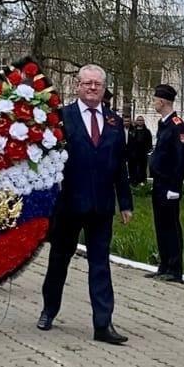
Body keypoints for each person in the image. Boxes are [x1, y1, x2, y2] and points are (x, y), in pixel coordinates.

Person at [38, 64, 133, 344]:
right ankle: (49, 309)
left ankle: (103, 324)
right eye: (88, 83)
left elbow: (120, 167)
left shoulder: (115, 123)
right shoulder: (61, 118)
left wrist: (125, 203)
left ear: (104, 89)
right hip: (68, 204)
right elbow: (47, 161)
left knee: (100, 264)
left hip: (101, 206)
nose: (93, 88)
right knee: (59, 261)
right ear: (77, 86)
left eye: (98, 85)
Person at [146, 85, 184, 282]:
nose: (154, 102)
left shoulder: (177, 126)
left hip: (169, 185)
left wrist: (175, 187)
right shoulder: (164, 124)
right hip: (159, 183)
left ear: (162, 101)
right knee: (161, 225)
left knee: (171, 226)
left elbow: (180, 160)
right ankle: (164, 265)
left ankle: (174, 268)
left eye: (155, 99)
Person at [126, 115, 153, 186]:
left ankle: (142, 181)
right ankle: (133, 181)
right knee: (132, 168)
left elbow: (149, 142)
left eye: (141, 120)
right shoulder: (132, 131)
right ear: (136, 121)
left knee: (142, 168)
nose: (140, 122)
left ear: (143, 122)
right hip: (132, 154)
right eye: (138, 120)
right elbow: (129, 142)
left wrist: (148, 150)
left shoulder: (147, 131)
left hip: (142, 153)